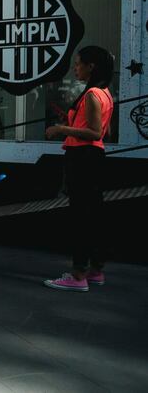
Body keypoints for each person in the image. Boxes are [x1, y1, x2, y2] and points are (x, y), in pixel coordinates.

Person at [44, 45, 114, 292]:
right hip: (94, 157)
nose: (75, 68)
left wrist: (61, 129)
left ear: (90, 66)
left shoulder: (92, 94)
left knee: (80, 217)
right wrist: (72, 120)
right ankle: (95, 270)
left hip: (82, 158)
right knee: (92, 215)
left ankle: (77, 276)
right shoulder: (105, 93)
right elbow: (105, 131)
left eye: (78, 63)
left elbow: (95, 132)